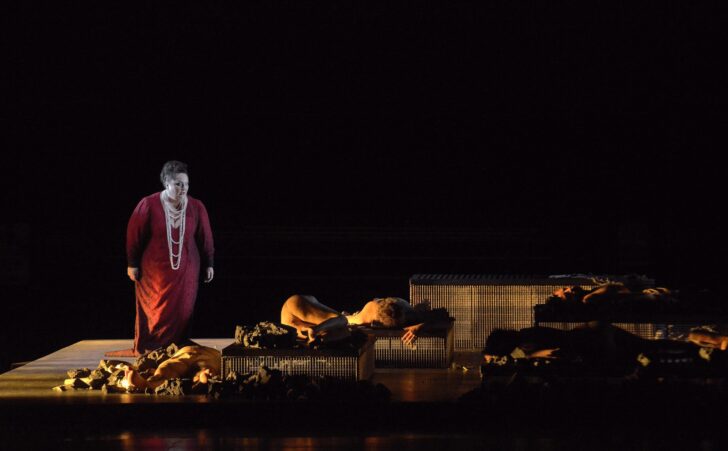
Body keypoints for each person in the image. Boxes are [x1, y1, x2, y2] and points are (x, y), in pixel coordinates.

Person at [105, 160, 215, 357]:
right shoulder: (148, 204)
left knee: (183, 310)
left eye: (186, 184)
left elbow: (205, 236)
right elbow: (134, 234)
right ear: (166, 182)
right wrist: (132, 263)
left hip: (187, 271)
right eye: (178, 184)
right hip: (153, 272)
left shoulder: (196, 206)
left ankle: (177, 346)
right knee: (155, 311)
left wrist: (209, 263)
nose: (183, 188)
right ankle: (151, 348)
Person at [280, 294, 450, 345]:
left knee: (306, 335)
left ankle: (313, 331)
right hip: (296, 307)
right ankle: (314, 330)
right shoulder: (399, 311)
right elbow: (443, 318)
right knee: (342, 323)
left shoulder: (400, 309)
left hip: (296, 314)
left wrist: (419, 326)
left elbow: (445, 317)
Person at [123, 344, 221, 390]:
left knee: (170, 368)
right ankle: (149, 382)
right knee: (169, 367)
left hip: (193, 355)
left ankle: (148, 383)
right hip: (192, 355)